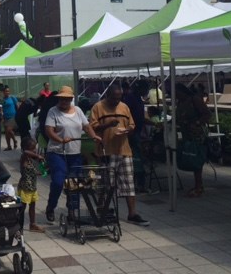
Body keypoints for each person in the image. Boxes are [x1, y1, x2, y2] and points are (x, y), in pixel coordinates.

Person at [91, 84, 150, 227]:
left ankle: (132, 214)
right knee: (106, 184)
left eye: (119, 98)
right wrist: (108, 125)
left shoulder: (124, 106)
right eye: (113, 98)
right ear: (107, 96)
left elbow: (131, 125)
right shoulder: (98, 107)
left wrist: (128, 130)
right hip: (106, 151)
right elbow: (92, 127)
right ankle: (102, 210)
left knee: (129, 183)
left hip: (124, 150)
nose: (116, 101)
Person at [44, 86, 100, 223]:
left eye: (66, 99)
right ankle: (51, 206)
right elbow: (49, 131)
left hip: (74, 153)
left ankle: (72, 211)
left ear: (71, 99)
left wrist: (94, 136)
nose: (63, 101)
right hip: (57, 152)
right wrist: (61, 140)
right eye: (61, 99)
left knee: (74, 183)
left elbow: (86, 126)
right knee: (58, 181)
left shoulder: (78, 111)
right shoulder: (53, 112)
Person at [174, 83, 211, 198]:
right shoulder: (180, 102)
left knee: (196, 158)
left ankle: (199, 186)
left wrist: (197, 123)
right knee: (191, 157)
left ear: (182, 91)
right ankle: (197, 185)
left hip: (197, 134)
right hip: (186, 134)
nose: (175, 96)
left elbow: (207, 114)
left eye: (176, 93)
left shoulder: (194, 100)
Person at [124, 80, 150, 193]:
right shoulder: (130, 99)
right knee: (136, 160)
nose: (147, 91)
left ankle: (139, 183)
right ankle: (136, 184)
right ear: (140, 88)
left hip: (138, 132)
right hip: (132, 134)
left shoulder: (139, 99)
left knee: (139, 159)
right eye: (146, 89)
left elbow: (140, 117)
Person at [17, 136, 46, 233]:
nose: (35, 150)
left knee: (33, 205)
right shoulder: (24, 157)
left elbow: (31, 171)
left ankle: (32, 224)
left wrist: (40, 172)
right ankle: (19, 225)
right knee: (23, 207)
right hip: (25, 187)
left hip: (33, 187)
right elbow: (25, 152)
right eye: (33, 148)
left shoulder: (30, 159)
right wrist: (37, 156)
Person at [1, 86, 19, 151]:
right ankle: (9, 146)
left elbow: (17, 106)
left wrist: (19, 114)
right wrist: (2, 117)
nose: (7, 92)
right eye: (6, 91)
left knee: (9, 130)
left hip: (13, 116)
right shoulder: (2, 100)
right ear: (3, 92)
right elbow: (1, 108)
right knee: (6, 133)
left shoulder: (12, 98)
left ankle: (14, 140)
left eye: (8, 91)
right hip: (6, 117)